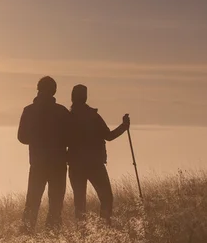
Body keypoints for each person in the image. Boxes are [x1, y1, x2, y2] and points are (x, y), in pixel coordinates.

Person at [67, 84, 129, 225]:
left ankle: (82, 232)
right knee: (106, 197)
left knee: (79, 202)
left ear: (72, 97)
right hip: (95, 164)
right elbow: (108, 136)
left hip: (76, 165)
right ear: (86, 97)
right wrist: (124, 127)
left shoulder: (69, 117)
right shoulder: (93, 116)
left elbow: (61, 139)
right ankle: (104, 227)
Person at [17, 76, 70, 233]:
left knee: (32, 203)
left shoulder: (29, 111)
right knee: (55, 205)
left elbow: (22, 137)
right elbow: (71, 136)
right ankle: (52, 237)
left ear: (38, 89)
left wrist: (37, 139)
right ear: (54, 91)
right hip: (58, 164)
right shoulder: (61, 111)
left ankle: (26, 237)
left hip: (37, 163)